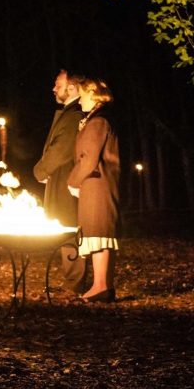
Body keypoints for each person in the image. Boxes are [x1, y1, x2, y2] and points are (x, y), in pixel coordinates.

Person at [33, 69, 87, 292]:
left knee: (69, 228)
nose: (53, 88)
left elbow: (62, 148)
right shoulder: (69, 112)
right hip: (61, 178)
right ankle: (72, 280)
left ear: (72, 88)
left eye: (58, 85)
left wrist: (40, 170)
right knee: (66, 227)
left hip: (67, 180)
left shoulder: (74, 114)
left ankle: (75, 282)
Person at [68, 77, 120, 302]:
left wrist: (73, 180)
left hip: (96, 185)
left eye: (82, 95)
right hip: (97, 184)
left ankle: (101, 286)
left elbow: (88, 159)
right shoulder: (97, 120)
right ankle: (104, 286)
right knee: (99, 232)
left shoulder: (97, 122)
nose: (79, 101)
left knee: (99, 232)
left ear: (92, 94)